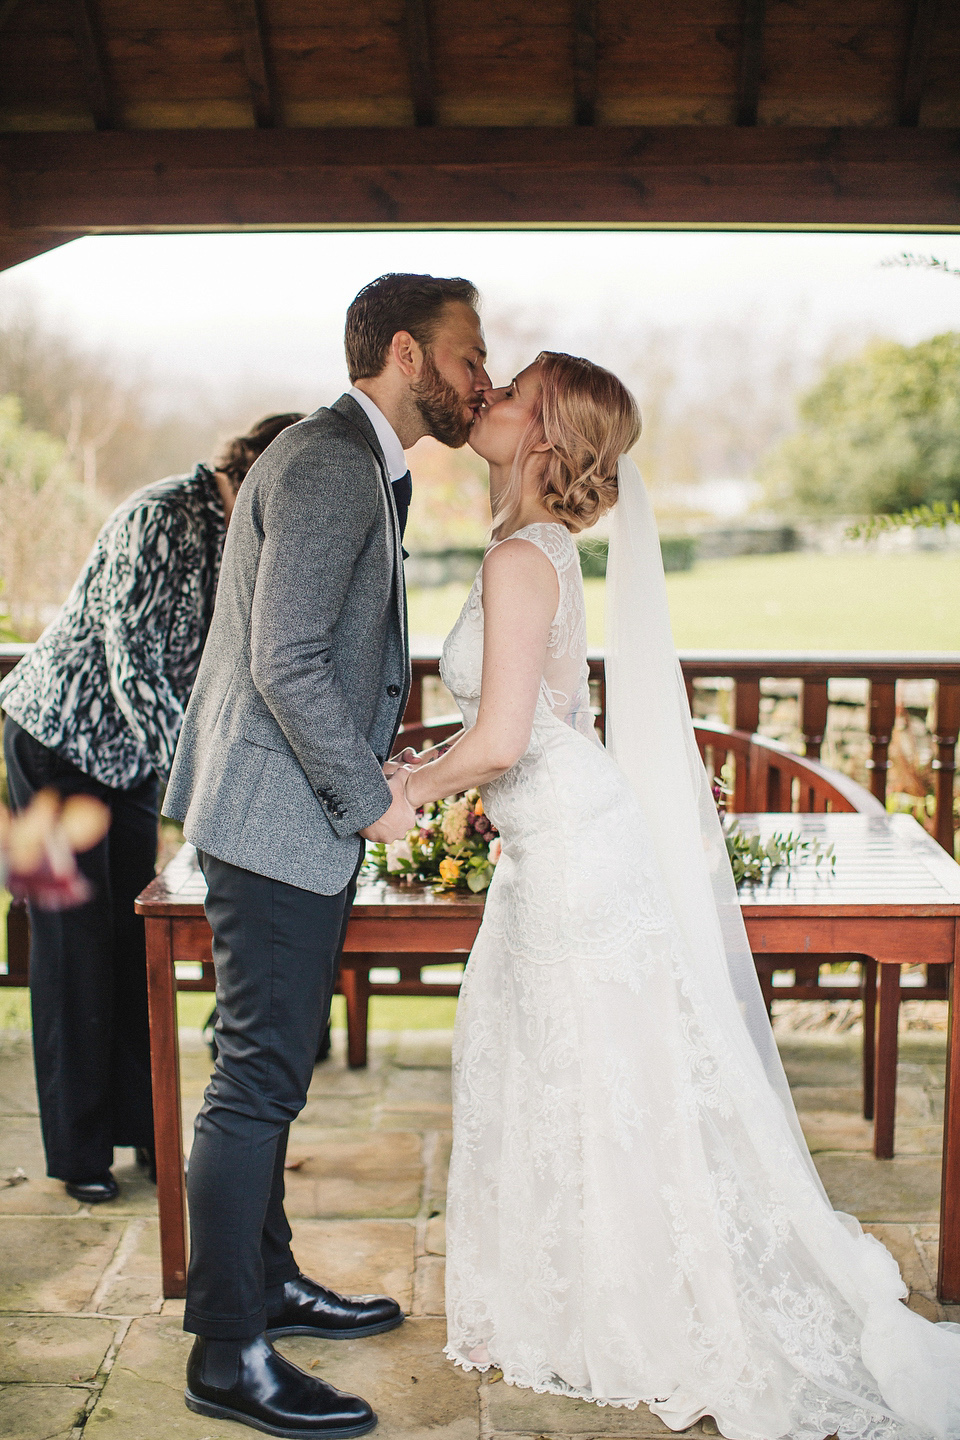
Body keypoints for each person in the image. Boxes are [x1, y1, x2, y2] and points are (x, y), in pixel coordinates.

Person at [394, 352, 960, 1440]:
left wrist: (415, 785)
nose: (489, 399)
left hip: (569, 854)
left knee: (598, 1076)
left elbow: (510, 737)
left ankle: (634, 1309)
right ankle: (587, 1299)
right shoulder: (536, 549)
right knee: (584, 1073)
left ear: (547, 435)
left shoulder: (525, 559)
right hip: (555, 843)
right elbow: (534, 723)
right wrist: (427, 762)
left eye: (511, 392)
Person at [162, 273, 490, 1438]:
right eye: (467, 353)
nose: (481, 376)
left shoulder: (351, 462)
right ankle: (226, 1354)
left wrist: (379, 768)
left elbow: (315, 660)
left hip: (282, 815)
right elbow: (287, 662)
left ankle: (269, 1286)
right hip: (277, 822)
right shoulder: (326, 461)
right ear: (405, 351)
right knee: (254, 1085)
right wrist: (373, 804)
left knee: (270, 1072)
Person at [0, 413, 303, 1205]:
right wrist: (201, 790)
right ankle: (79, 1155)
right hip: (53, 744)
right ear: (258, 473)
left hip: (128, 761)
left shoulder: (244, 539)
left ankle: (142, 1130)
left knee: (132, 944)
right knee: (71, 948)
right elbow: (131, 666)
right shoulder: (159, 516)